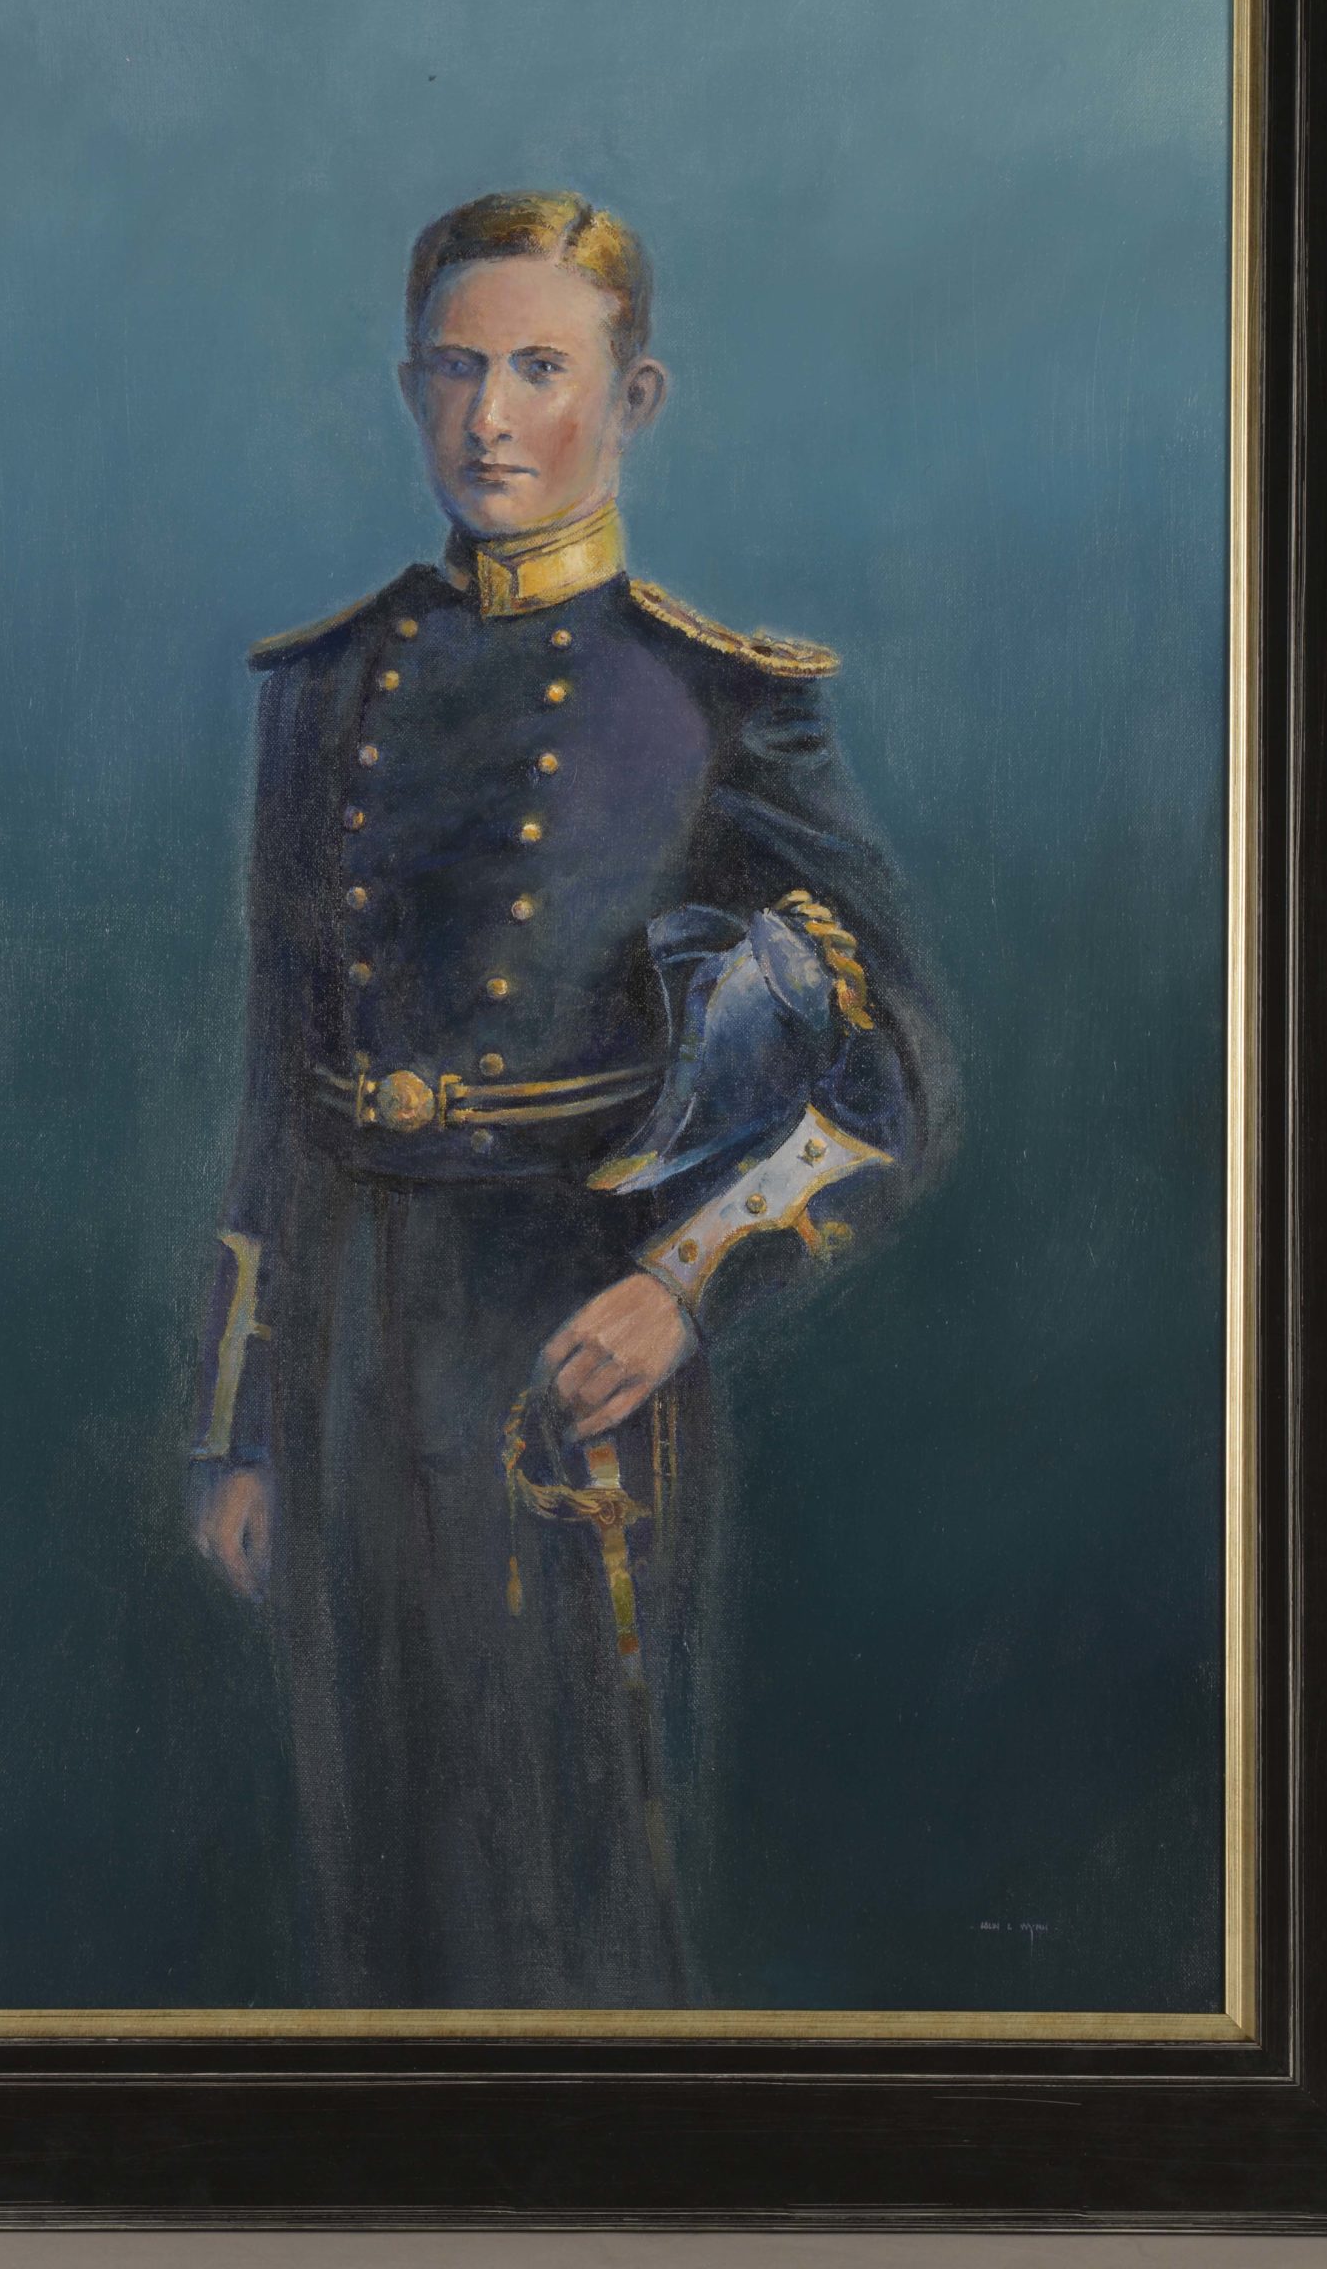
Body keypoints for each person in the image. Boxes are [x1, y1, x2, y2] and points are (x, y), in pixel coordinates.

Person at [188, 190, 956, 2009]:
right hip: (347, 1339)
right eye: (455, 370)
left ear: (635, 397)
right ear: (408, 387)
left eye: (540, 368)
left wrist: (686, 1286)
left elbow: (903, 1072)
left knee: (563, 1871)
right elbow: (273, 1086)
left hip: (567, 1331)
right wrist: (239, 1428)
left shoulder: (717, 703)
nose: (490, 417)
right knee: (375, 1866)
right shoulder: (325, 688)